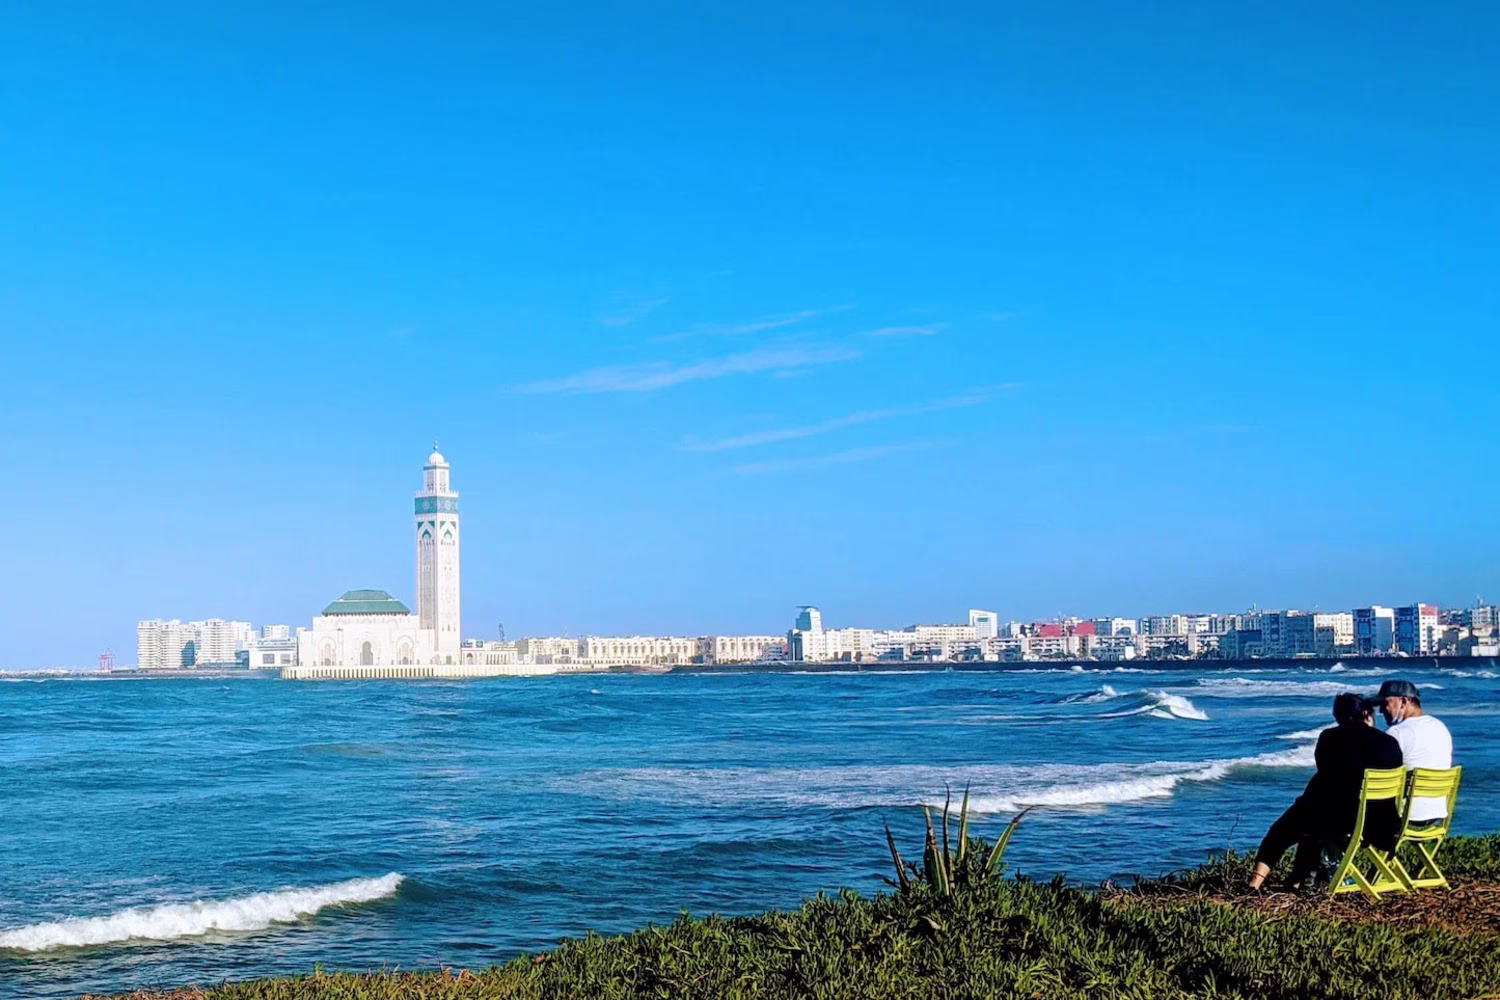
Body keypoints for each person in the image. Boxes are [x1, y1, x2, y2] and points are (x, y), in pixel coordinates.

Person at [1247, 692, 1403, 890]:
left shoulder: (1329, 738)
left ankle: (1255, 884)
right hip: (1383, 826)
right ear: (1366, 714)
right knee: (1312, 824)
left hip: (1342, 821)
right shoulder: (1389, 742)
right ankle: (1300, 879)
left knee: (1283, 830)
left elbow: (1325, 772)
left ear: (1338, 716)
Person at [1368, 679, 1454, 824]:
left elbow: (1372, 771)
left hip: (1404, 814)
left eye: (1385, 704)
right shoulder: (1440, 727)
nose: (1381, 711)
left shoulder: (1398, 733)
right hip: (1435, 812)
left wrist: (1367, 731)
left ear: (1404, 702)